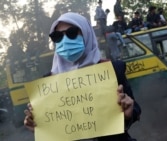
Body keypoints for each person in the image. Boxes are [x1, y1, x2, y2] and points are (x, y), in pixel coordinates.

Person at [23, 12, 141, 141]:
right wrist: (38, 123)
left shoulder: (112, 70)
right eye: (57, 36)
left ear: (86, 34)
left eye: (72, 33)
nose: (65, 40)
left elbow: (135, 109)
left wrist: (129, 113)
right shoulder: (48, 83)